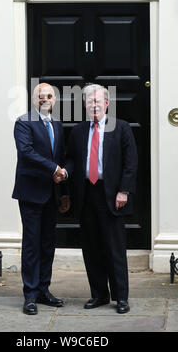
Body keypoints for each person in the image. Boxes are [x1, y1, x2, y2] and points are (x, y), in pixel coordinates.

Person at [61, 84, 138, 314]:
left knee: (114, 249)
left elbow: (130, 163)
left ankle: (121, 297)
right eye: (89, 101)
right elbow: (72, 160)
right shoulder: (78, 131)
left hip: (113, 195)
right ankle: (99, 295)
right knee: (91, 249)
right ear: (84, 105)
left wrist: (124, 190)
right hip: (86, 194)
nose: (94, 105)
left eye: (98, 101)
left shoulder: (122, 128)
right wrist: (64, 176)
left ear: (107, 103)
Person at [12, 82, 70, 315]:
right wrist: (54, 168)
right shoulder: (23, 122)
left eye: (49, 96)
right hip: (31, 193)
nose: (45, 99)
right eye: (40, 96)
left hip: (52, 194)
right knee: (32, 245)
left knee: (47, 244)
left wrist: (64, 192)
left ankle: (44, 289)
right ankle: (30, 295)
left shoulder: (56, 123)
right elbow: (26, 152)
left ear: (54, 100)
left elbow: (62, 155)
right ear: (34, 99)